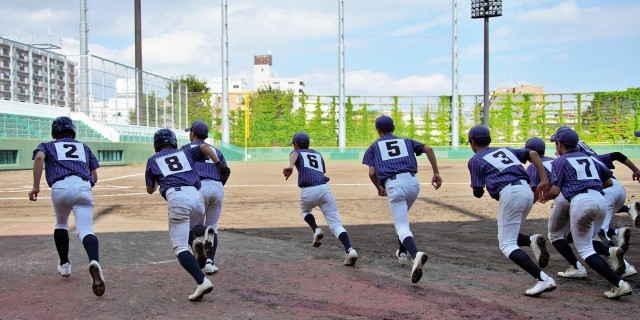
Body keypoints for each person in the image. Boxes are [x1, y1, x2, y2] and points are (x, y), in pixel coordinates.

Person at [525, 137, 635, 280]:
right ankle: (623, 264)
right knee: (586, 237)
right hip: (595, 196)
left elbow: (537, 192)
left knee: (556, 235)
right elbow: (607, 179)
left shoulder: (535, 165)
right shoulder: (563, 158)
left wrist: (531, 206)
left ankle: (577, 267)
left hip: (567, 196)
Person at [541, 126, 632, 299]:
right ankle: (611, 251)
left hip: (582, 203)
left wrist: (544, 197)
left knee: (586, 250)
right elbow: (608, 183)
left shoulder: (559, 161)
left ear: (560, 145)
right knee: (589, 238)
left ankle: (619, 284)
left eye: (556, 144)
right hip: (601, 201)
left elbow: (554, 191)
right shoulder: (591, 158)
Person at [467, 126, 555, 297]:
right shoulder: (505, 150)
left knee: (507, 244)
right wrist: (544, 179)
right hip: (527, 191)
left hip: (511, 194)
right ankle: (531, 240)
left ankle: (543, 279)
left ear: (473, 142)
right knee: (510, 236)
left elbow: (478, 193)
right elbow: (534, 154)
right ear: (489, 140)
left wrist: (476, 187)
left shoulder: (475, 159)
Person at [145, 128, 227, 301]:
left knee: (180, 247)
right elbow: (204, 147)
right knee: (191, 227)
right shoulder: (184, 152)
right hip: (196, 197)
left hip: (178, 198)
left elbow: (150, 190)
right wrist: (218, 163)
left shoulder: (153, 159)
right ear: (173, 141)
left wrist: (156, 181)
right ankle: (204, 233)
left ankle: (202, 281)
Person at [28, 116, 105, 297]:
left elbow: (39, 158)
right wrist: (84, 186)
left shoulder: (46, 145)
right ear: (72, 130)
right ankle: (94, 262)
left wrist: (36, 186)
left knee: (61, 224)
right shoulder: (84, 147)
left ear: (55, 131)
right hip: (82, 185)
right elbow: (95, 176)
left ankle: (64, 265)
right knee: (86, 230)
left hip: (60, 187)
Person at [362, 115, 442, 283]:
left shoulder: (375, 146)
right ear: (394, 127)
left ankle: (415, 255)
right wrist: (436, 173)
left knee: (402, 226)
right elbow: (429, 149)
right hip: (413, 183)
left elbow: (371, 173)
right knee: (403, 219)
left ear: (378, 130)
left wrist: (379, 188)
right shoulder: (406, 141)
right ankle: (402, 253)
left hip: (395, 185)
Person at [283, 132, 358, 266]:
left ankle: (316, 229)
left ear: (296, 145)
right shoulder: (317, 154)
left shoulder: (296, 153)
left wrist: (290, 166)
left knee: (305, 211)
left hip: (308, 191)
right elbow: (322, 170)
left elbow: (294, 154)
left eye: (294, 144)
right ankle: (350, 250)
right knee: (336, 225)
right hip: (324, 189)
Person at [181, 120, 230, 275]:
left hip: (199, 186)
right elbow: (226, 171)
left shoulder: (185, 149)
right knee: (213, 227)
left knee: (189, 226)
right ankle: (210, 263)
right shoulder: (216, 151)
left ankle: (199, 249)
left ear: (193, 133)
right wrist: (218, 187)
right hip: (217, 186)